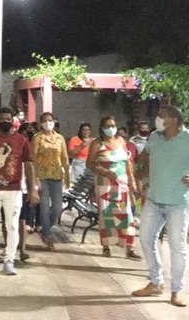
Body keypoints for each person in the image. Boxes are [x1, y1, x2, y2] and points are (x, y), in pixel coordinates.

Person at [132, 105, 189, 308]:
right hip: (154, 199)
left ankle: (176, 291)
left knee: (177, 247)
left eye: (161, 116)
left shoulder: (187, 138)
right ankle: (156, 282)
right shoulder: (155, 136)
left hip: (178, 203)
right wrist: (140, 173)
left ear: (173, 119)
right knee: (146, 238)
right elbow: (144, 156)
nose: (157, 119)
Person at [0, 107, 38, 275]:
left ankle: (9, 260)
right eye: (2, 119)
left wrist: (33, 190)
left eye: (8, 119)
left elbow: (29, 165)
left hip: (13, 189)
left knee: (11, 225)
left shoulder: (21, 140)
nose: (5, 122)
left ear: (13, 121)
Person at [86, 115, 141, 260]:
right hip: (105, 184)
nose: (111, 128)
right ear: (102, 128)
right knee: (107, 215)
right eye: (108, 126)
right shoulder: (97, 144)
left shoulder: (121, 141)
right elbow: (90, 164)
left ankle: (129, 247)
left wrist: (132, 180)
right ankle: (106, 246)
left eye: (113, 125)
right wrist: (104, 171)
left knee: (126, 215)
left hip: (121, 183)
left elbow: (127, 162)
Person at [31, 111, 70, 251]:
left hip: (57, 175)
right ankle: (47, 235)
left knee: (57, 208)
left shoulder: (60, 138)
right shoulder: (38, 138)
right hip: (42, 176)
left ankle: (45, 227)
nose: (48, 123)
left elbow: (64, 157)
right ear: (41, 123)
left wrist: (67, 176)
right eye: (45, 120)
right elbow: (33, 159)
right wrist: (35, 179)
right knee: (44, 207)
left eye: (50, 120)